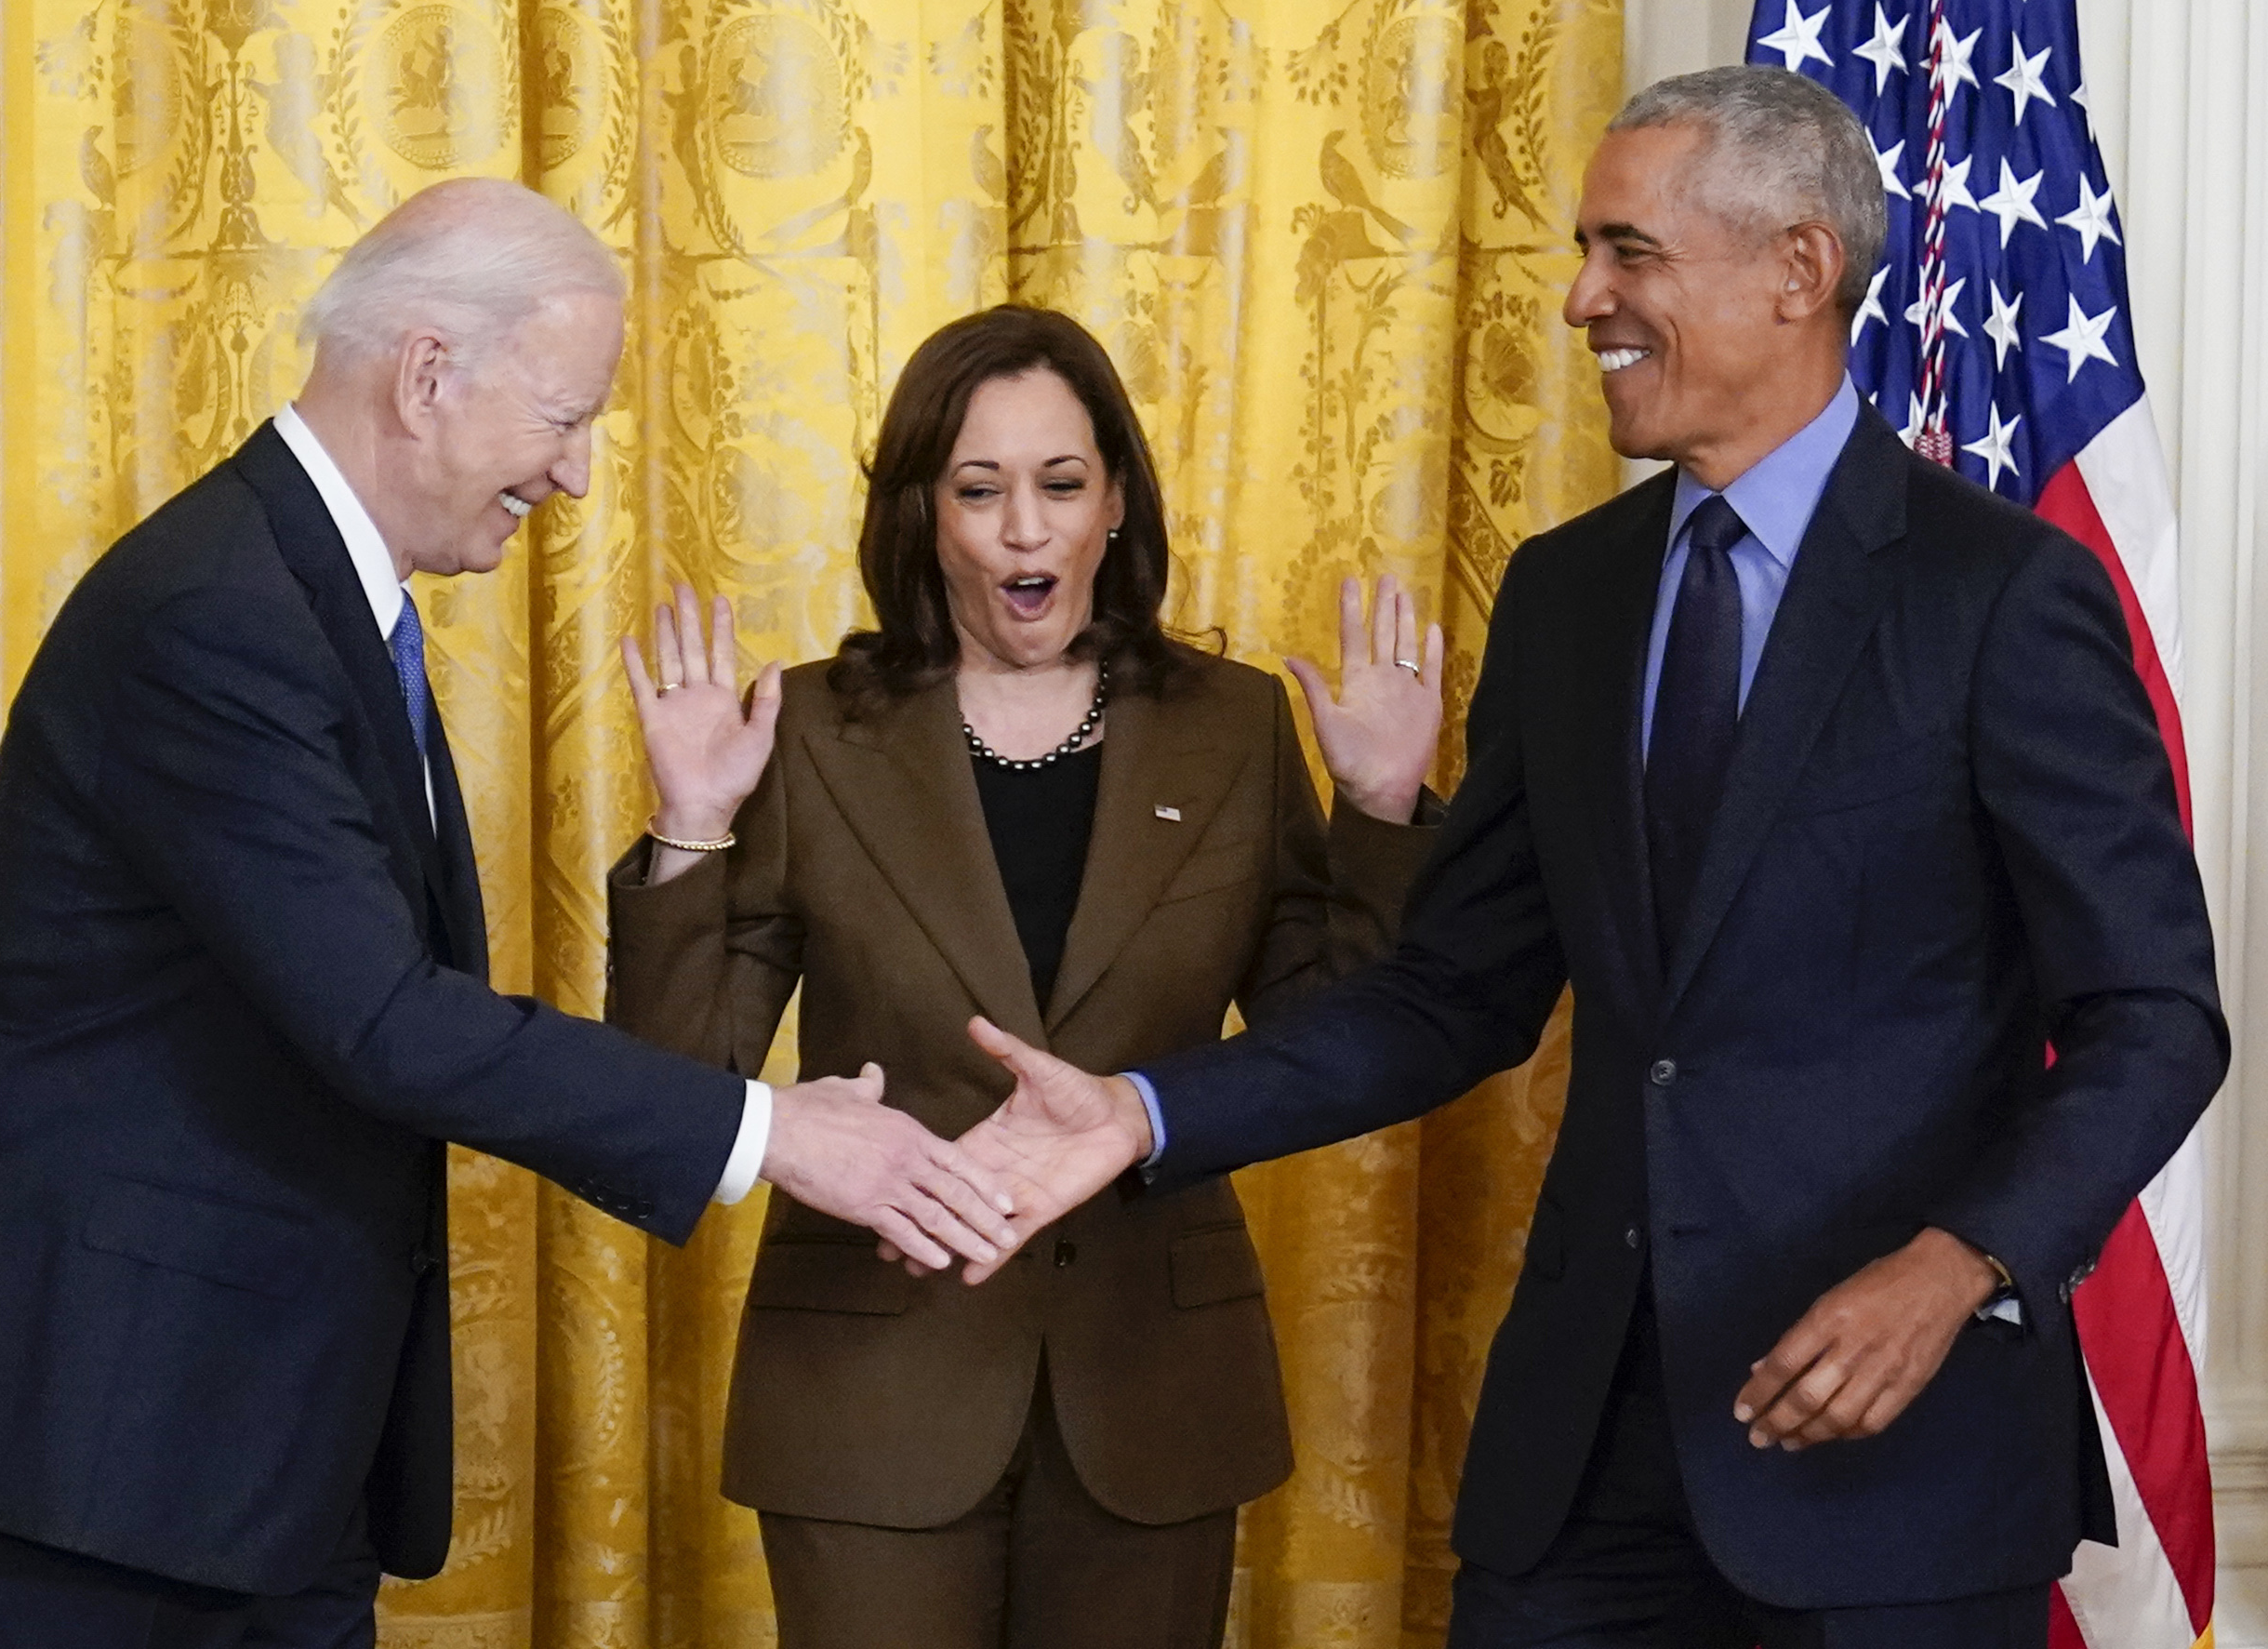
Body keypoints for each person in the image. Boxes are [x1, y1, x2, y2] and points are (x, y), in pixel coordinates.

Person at [944, 67, 2227, 1649]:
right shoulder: (1569, 595)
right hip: (1584, 1463)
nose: (1578, 301)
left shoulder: (1999, 596)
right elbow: (1450, 994)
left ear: (1798, 271)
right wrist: (1144, 1111)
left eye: (1629, 254)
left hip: (1896, 1458)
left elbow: (2156, 1013)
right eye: (1579, 252)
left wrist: (1962, 1263)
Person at [0, 179, 1015, 1649]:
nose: (576, 476)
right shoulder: (219, 611)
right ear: (429, 374)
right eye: (567, 417)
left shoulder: (316, 595)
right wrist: (777, 1131)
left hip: (255, 1457)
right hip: (88, 1464)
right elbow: (382, 1019)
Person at [603, 303, 1446, 1648]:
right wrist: (694, 820)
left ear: (1117, 501)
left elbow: (1332, 1047)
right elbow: (673, 1087)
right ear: (925, 514)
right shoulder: (812, 727)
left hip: (1154, 1391)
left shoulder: (1231, 726)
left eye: (1061, 485)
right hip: (870, 1392)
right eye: (979, 489)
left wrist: (1385, 809)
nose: (1024, 530)